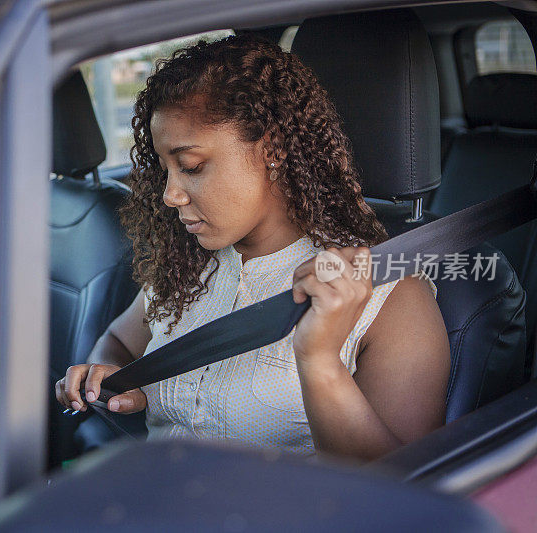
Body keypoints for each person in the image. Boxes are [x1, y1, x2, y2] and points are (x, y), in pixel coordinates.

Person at [55, 33, 450, 461]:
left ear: (273, 149)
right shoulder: (187, 264)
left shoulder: (389, 296)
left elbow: (405, 495)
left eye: (191, 166)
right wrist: (108, 374)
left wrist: (319, 363)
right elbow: (118, 340)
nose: (170, 195)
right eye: (165, 169)